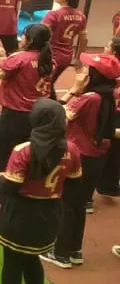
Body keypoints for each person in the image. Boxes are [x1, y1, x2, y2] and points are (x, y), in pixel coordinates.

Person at [0, 99, 80, 284]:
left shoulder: (24, 150)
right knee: (32, 258)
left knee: (12, 259)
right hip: (50, 212)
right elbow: (75, 185)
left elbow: (8, 188)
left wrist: (1, 177)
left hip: (21, 211)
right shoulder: (73, 149)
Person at [44, 49, 119, 269]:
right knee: (78, 205)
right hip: (96, 157)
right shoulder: (108, 96)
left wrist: (73, 91)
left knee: (66, 203)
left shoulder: (87, 98)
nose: (82, 71)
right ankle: (74, 250)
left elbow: (55, 115)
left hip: (78, 156)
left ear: (94, 76)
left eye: (87, 68)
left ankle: (60, 252)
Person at [0, 22, 55, 208]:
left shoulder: (20, 58)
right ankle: (24, 188)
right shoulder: (49, 61)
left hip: (14, 115)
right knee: (29, 153)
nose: (21, 39)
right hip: (38, 116)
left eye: (24, 36)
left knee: (3, 153)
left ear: (29, 40)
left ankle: (4, 196)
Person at [41, 0, 88, 90]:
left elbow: (41, 35)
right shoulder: (81, 16)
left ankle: (55, 106)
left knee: (43, 85)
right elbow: (84, 39)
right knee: (49, 84)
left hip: (51, 56)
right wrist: (78, 58)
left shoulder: (53, 15)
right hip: (67, 57)